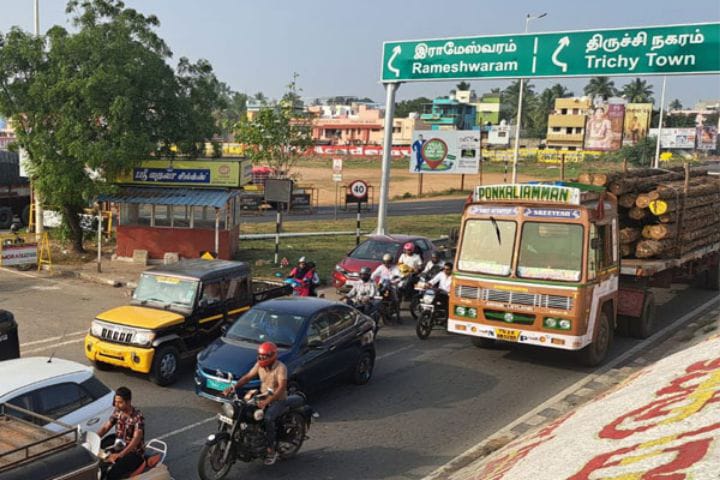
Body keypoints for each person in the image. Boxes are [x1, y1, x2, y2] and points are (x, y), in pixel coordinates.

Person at [223, 342, 287, 466]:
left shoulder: (281, 368)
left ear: (273, 356)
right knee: (245, 411)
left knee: (268, 419)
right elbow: (247, 377)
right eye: (260, 356)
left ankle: (271, 450)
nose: (262, 358)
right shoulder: (259, 365)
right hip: (262, 396)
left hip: (278, 400)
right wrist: (233, 387)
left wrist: (267, 401)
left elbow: (281, 388)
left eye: (265, 356)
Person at [97, 387, 145, 480]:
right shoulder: (118, 412)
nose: (116, 405)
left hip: (134, 453)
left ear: (128, 402)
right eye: (115, 402)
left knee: (113, 473)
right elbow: (105, 427)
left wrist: (120, 454)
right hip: (119, 446)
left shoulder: (137, 417)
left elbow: (136, 439)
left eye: (120, 402)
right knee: (100, 463)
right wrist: (94, 438)